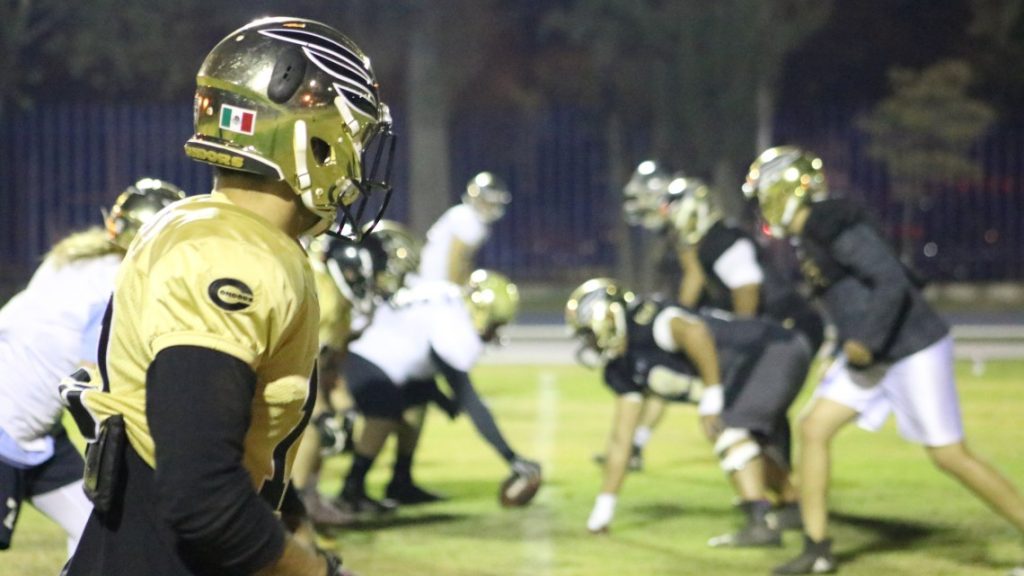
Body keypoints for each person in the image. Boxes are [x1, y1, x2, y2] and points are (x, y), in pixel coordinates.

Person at [58, 16, 394, 576]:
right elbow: (202, 497)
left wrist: (297, 533)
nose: (360, 160)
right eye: (353, 136)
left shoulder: (209, 227)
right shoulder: (232, 255)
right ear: (313, 139)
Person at [747, 146, 1024, 575]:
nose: (761, 203)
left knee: (949, 455)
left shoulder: (829, 223)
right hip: (871, 350)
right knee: (813, 427)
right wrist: (842, 347)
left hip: (910, 347)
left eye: (763, 192)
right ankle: (817, 548)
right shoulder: (810, 233)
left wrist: (865, 340)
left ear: (784, 188)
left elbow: (891, 281)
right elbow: (848, 299)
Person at [0, 179, 184, 558]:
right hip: (9, 423)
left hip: (36, 431)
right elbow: (96, 381)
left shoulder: (74, 258)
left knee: (94, 525)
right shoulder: (117, 281)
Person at [566, 278, 811, 547]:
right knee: (752, 449)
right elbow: (620, 440)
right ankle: (792, 506)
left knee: (727, 430)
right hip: (758, 362)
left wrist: (712, 397)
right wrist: (604, 508)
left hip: (770, 350)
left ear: (606, 319)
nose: (589, 343)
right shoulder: (620, 367)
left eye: (589, 333)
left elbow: (695, 333)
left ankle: (759, 523)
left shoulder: (647, 321)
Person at [338, 254, 541, 513]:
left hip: (371, 357)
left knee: (417, 402)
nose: (494, 332)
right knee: (385, 413)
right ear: (482, 311)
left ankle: (401, 482)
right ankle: (351, 489)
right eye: (495, 324)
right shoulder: (455, 326)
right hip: (369, 364)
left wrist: (441, 399)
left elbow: (420, 355)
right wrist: (511, 458)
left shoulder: (445, 295)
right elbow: (470, 400)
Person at [290, 233, 387, 528]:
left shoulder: (339, 297)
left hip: (308, 367)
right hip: (288, 369)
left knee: (332, 422)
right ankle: (294, 506)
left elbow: (334, 355)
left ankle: (309, 496)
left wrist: (343, 403)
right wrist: (321, 410)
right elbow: (307, 360)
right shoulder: (326, 296)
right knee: (314, 429)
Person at [415, 172, 511, 285]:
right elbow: (456, 258)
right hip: (437, 282)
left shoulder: (465, 215)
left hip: (431, 277)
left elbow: (464, 260)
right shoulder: (468, 220)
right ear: (478, 199)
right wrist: (456, 287)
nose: (492, 207)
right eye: (488, 202)